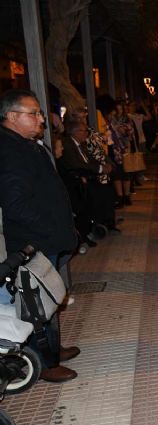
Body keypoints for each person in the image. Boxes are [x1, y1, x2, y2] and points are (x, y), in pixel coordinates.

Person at [0, 89, 80, 382]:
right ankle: (44, 363)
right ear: (12, 117)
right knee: (35, 303)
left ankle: (54, 350)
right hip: (33, 242)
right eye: (33, 113)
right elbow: (16, 205)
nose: (41, 119)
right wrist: (50, 229)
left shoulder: (26, 144)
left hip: (47, 237)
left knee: (50, 295)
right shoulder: (9, 151)